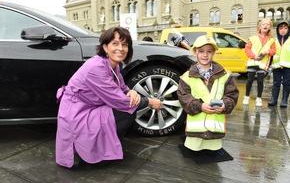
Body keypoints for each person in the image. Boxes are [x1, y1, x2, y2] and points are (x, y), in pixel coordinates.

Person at [55, 27, 162, 168]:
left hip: (87, 108)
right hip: (77, 113)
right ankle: (87, 155)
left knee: (129, 107)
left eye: (125, 45)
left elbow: (122, 87)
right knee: (127, 111)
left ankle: (103, 147)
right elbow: (120, 101)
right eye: (115, 43)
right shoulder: (96, 68)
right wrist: (149, 101)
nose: (121, 48)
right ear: (105, 47)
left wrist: (132, 92)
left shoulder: (112, 65)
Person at [177, 35, 239, 154]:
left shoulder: (225, 75)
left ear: (214, 53)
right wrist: (199, 106)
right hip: (194, 133)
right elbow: (184, 96)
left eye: (209, 51)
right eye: (201, 51)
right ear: (195, 52)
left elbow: (232, 95)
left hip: (215, 132)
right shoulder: (187, 77)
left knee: (212, 153)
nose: (205, 55)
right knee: (193, 153)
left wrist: (225, 105)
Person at [243, 18, 276, 107]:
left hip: (262, 64)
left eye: (267, 24)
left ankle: (259, 98)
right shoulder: (252, 38)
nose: (265, 26)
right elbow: (247, 49)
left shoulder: (272, 40)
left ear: (270, 27)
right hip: (252, 62)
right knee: (250, 80)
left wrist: (268, 52)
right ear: (260, 27)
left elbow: (274, 51)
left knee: (260, 81)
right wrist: (254, 56)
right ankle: (246, 97)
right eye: (263, 24)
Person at [268, 20, 290, 107]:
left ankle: (284, 100)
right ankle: (274, 99)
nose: (283, 30)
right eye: (281, 28)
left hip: (288, 66)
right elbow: (270, 53)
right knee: (276, 82)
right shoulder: (274, 40)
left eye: (285, 28)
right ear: (277, 30)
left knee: (287, 83)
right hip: (276, 65)